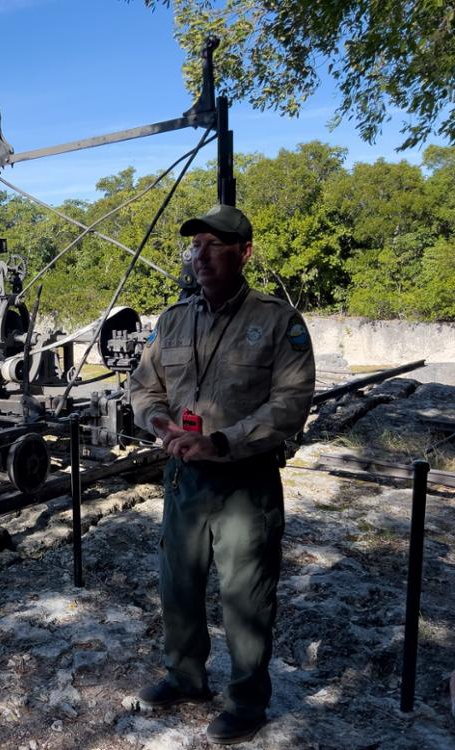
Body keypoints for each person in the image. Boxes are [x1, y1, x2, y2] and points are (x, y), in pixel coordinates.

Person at [128, 204, 315, 745]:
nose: (201, 255)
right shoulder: (173, 320)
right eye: (195, 245)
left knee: (246, 596)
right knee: (177, 585)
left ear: (244, 253)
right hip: (185, 477)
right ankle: (185, 677)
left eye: (215, 245)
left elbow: (291, 403)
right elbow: (143, 386)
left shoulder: (278, 321)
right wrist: (160, 424)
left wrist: (221, 441)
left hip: (244, 482)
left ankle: (247, 702)